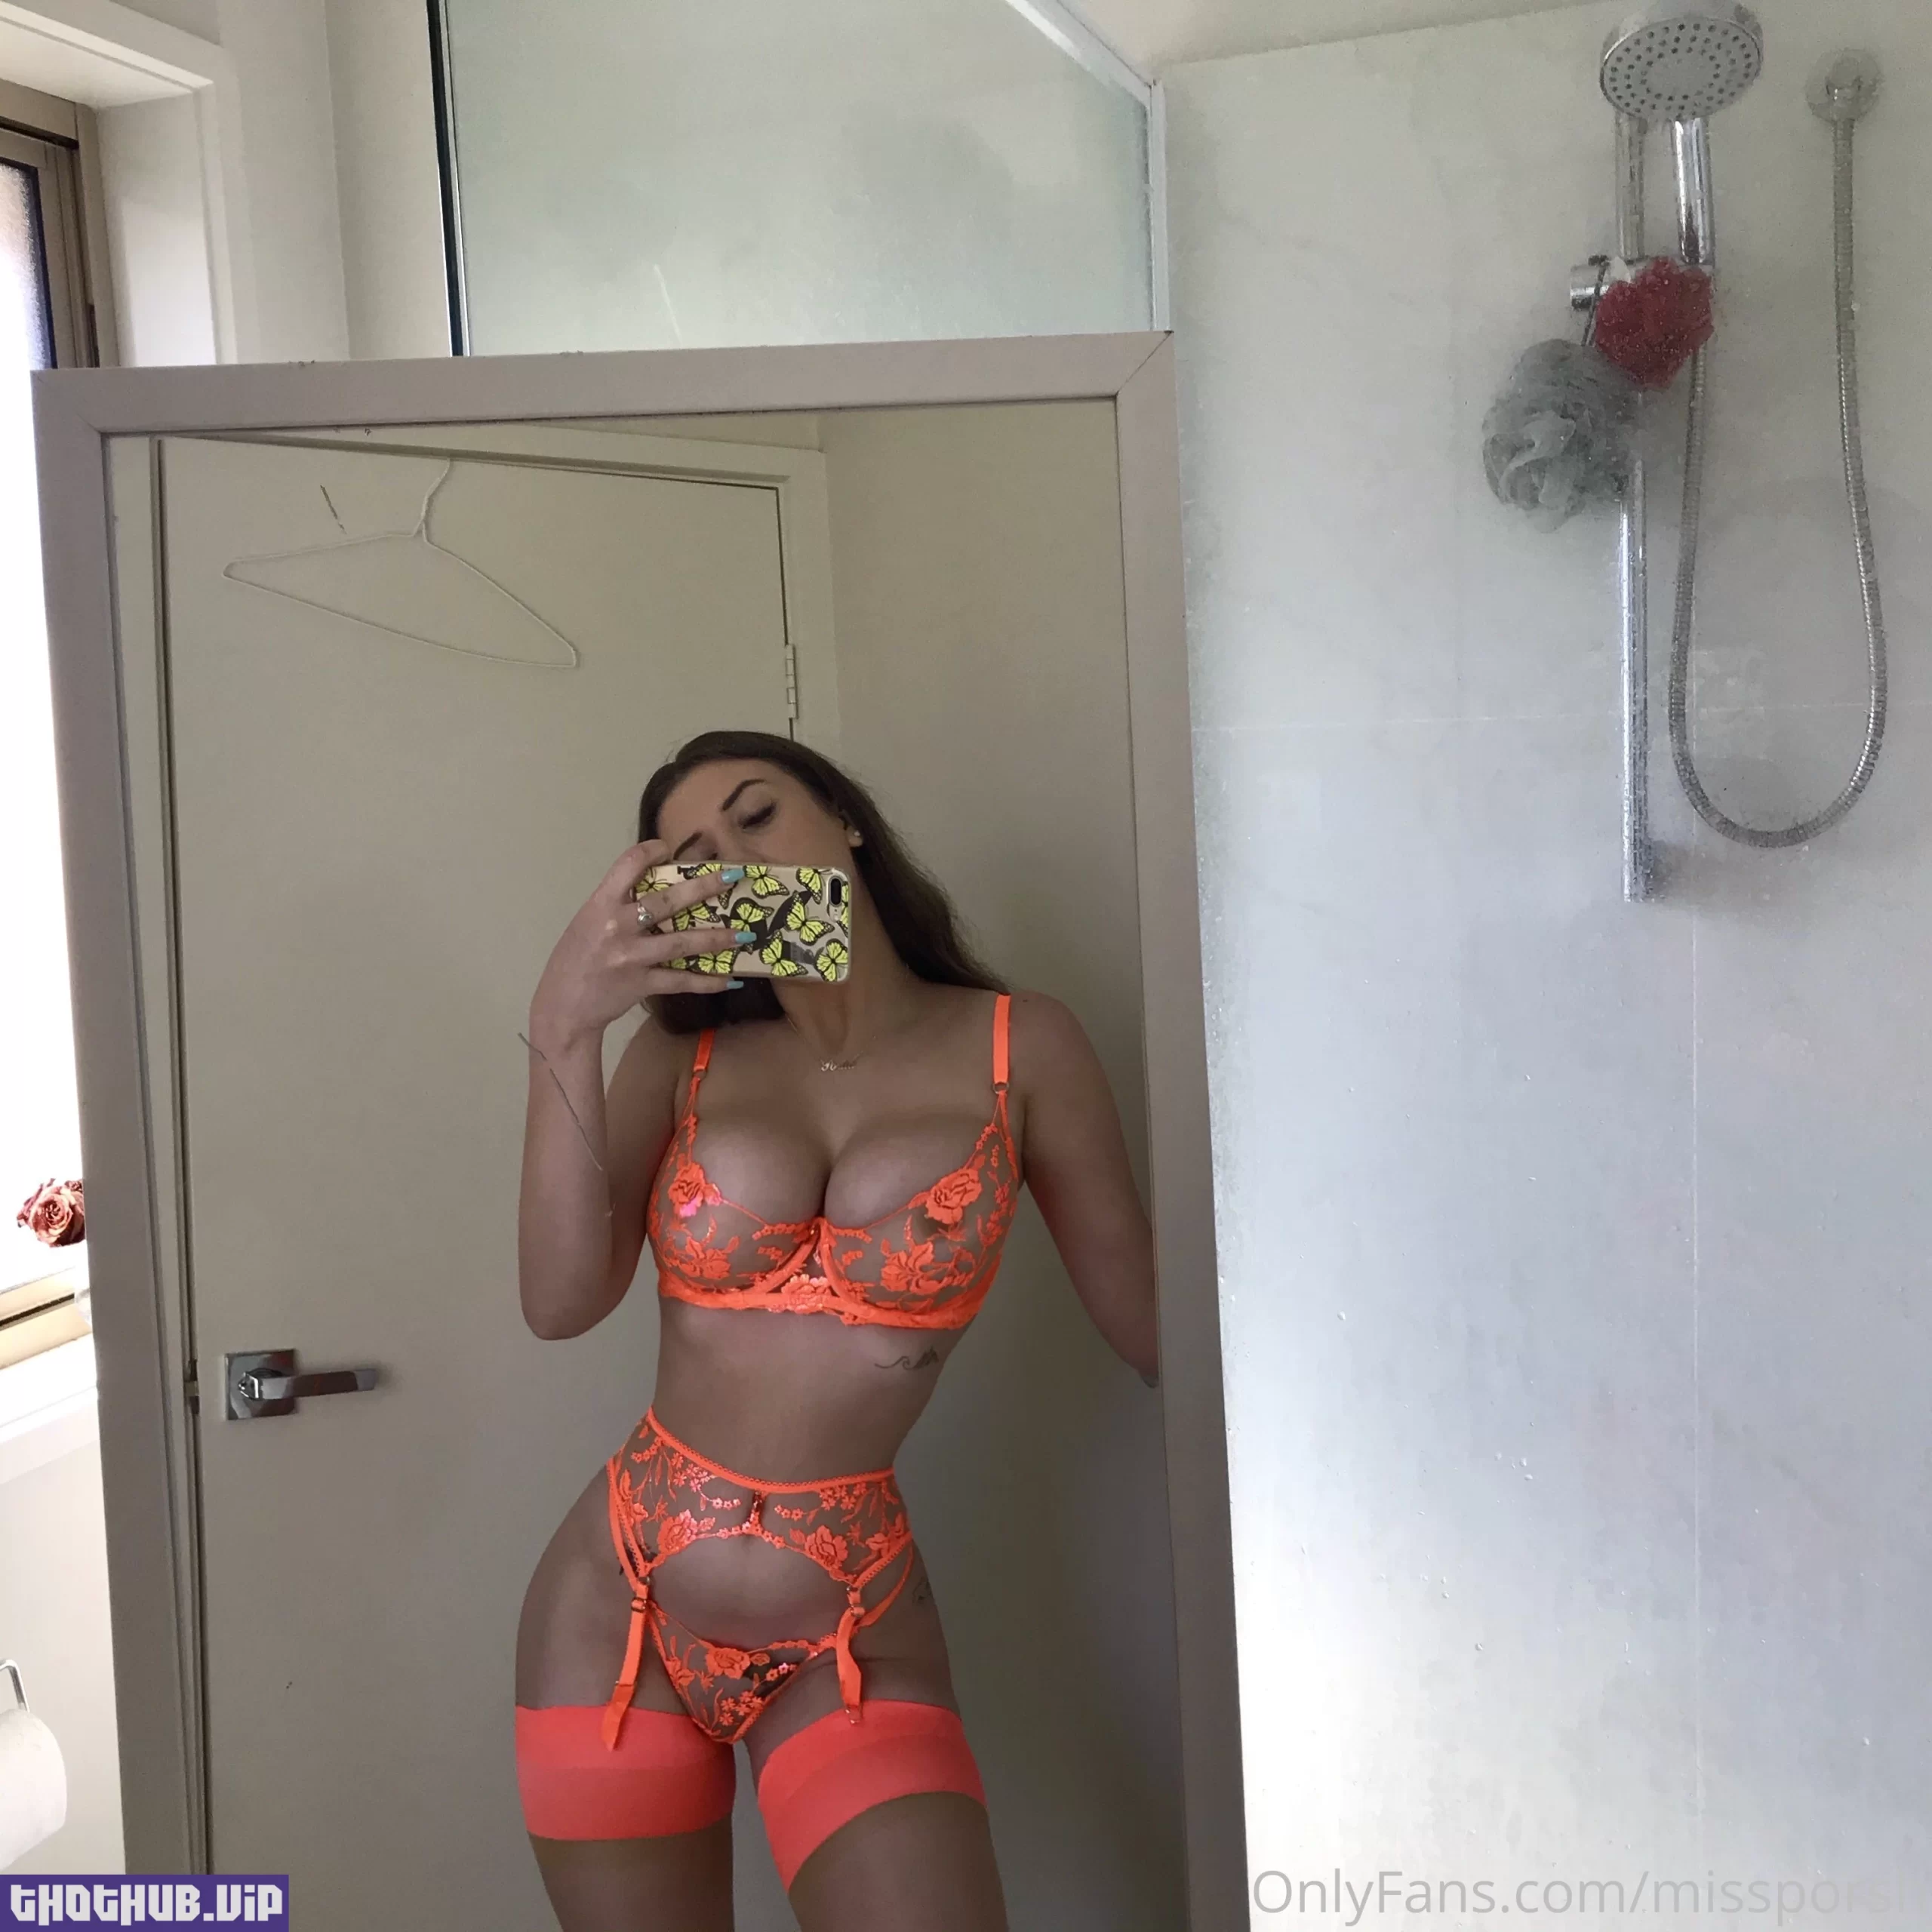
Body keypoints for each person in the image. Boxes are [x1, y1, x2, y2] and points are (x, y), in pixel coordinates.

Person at [512, 730, 1158, 1932]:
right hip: (619, 1610)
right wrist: (563, 1030)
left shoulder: (1021, 1046)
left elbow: (1151, 1323)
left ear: (847, 821)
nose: (737, 859)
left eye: (757, 816)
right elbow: (559, 1303)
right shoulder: (682, 1055)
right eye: (696, 855)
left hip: (849, 1629)